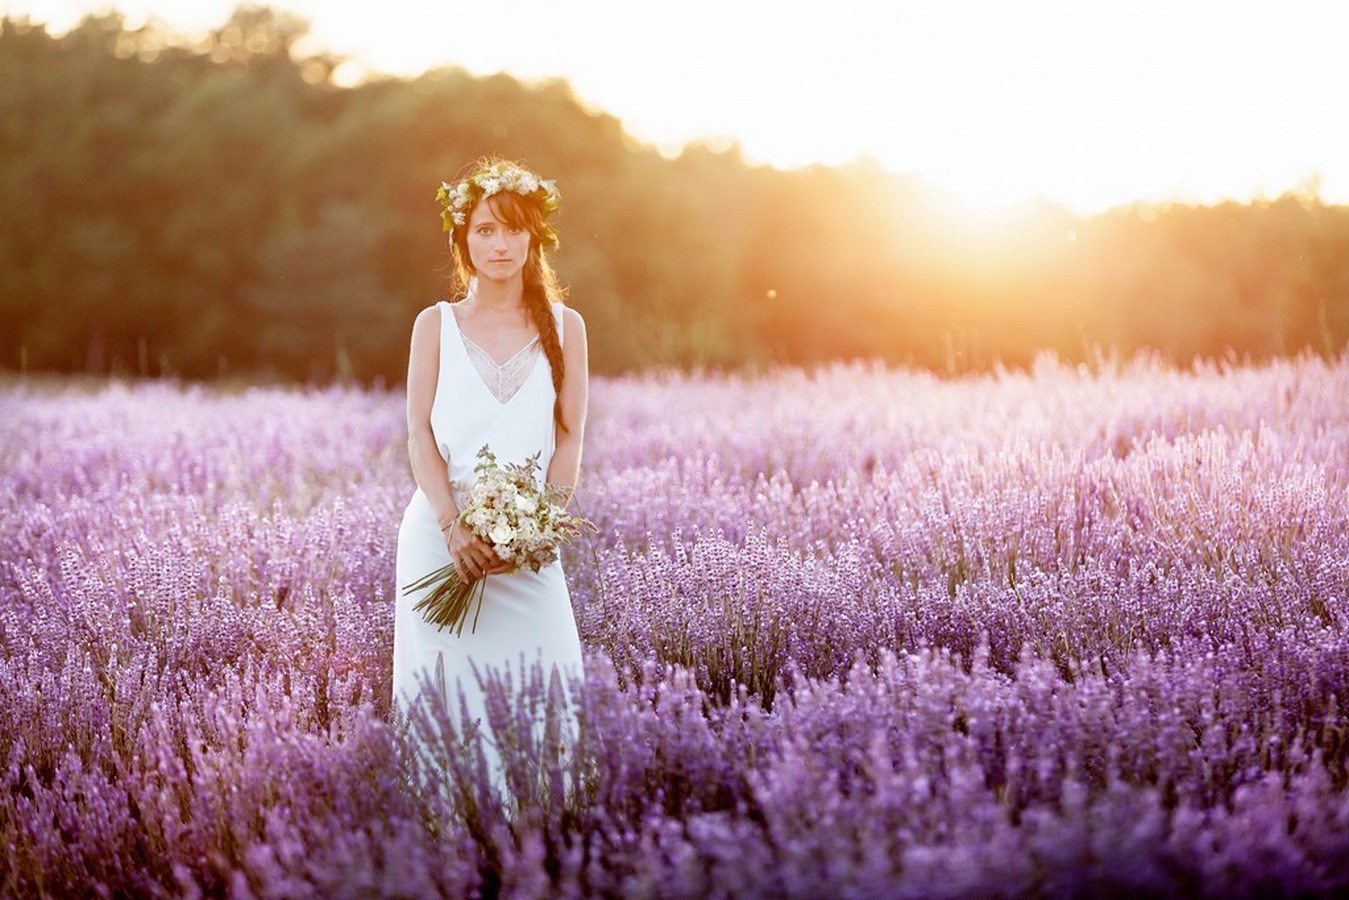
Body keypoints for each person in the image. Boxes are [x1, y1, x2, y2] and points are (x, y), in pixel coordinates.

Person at [390, 158, 588, 793]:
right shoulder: (435, 325)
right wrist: (453, 529)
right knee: (445, 696)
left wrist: (540, 528)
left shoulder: (567, 327)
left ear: (534, 239)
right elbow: (418, 434)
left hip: (529, 548)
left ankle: (544, 840)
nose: (498, 245)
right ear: (461, 238)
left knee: (548, 682)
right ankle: (448, 846)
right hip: (440, 540)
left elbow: (569, 435)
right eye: (483, 230)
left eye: (512, 231)